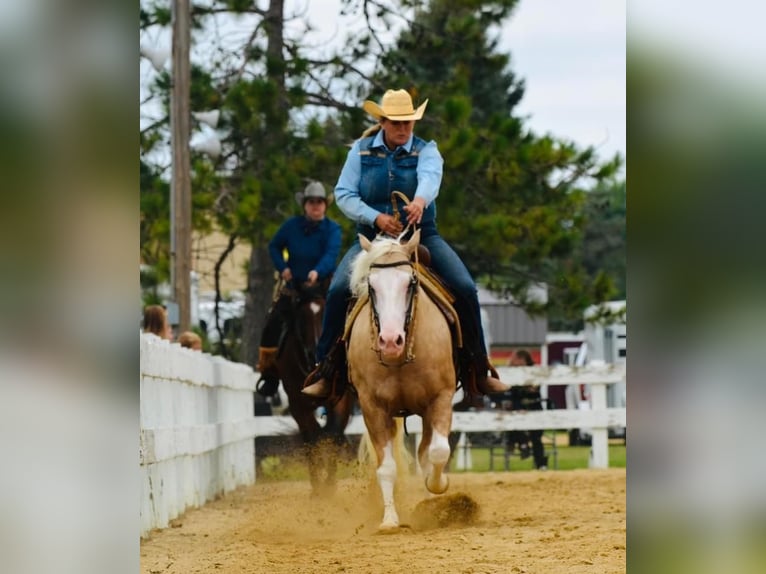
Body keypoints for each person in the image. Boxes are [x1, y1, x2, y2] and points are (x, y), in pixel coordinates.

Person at [302, 88, 508, 398]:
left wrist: (420, 201)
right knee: (338, 290)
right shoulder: (360, 151)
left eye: (408, 123)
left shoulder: (427, 150)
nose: (402, 129)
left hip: (420, 235)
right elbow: (344, 194)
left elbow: (430, 177)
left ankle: (478, 368)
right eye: (396, 123)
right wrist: (376, 218)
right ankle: (327, 369)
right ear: (382, 121)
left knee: (465, 287)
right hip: (373, 240)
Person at [256, 181, 342, 397]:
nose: (316, 206)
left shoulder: (333, 229)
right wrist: (283, 268)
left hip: (322, 287)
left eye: (320, 202)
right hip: (295, 288)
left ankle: (348, 371)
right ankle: (270, 374)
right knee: (272, 323)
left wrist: (318, 271)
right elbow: (274, 246)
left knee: (345, 320)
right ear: (305, 205)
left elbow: (331, 254)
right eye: (312, 202)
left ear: (325, 205)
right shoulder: (291, 226)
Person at [506, 349, 548, 470]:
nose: (511, 361)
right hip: (519, 406)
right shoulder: (513, 372)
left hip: (534, 406)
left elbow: (534, 389)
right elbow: (513, 391)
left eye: (514, 359)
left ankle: (540, 463)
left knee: (536, 436)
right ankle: (524, 445)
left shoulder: (534, 370)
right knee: (513, 424)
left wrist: (523, 389)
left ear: (521, 359)